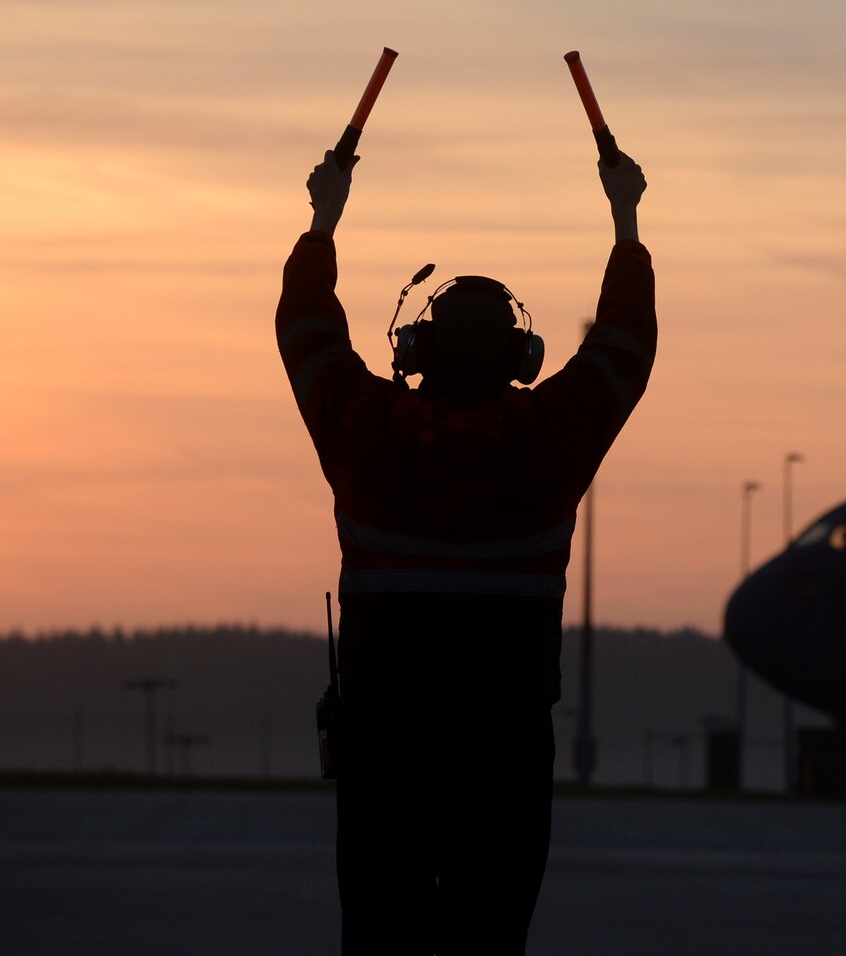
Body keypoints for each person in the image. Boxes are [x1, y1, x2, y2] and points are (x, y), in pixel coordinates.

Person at [276, 143, 655, 953]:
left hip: (386, 754)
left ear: (416, 351)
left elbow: (306, 329)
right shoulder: (549, 440)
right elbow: (625, 346)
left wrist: (324, 216)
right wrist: (626, 219)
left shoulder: (365, 432)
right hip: (505, 754)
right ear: (522, 361)